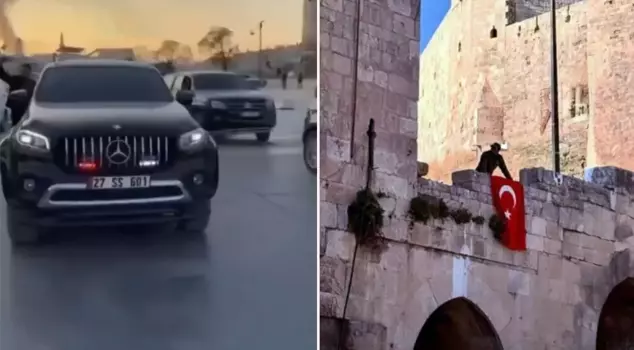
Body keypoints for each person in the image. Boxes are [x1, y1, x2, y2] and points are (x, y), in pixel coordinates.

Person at [0, 56, 35, 124]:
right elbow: (5, 79)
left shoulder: (30, 83)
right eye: (22, 70)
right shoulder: (15, 80)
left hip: (21, 116)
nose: (24, 72)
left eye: (26, 71)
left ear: (30, 72)